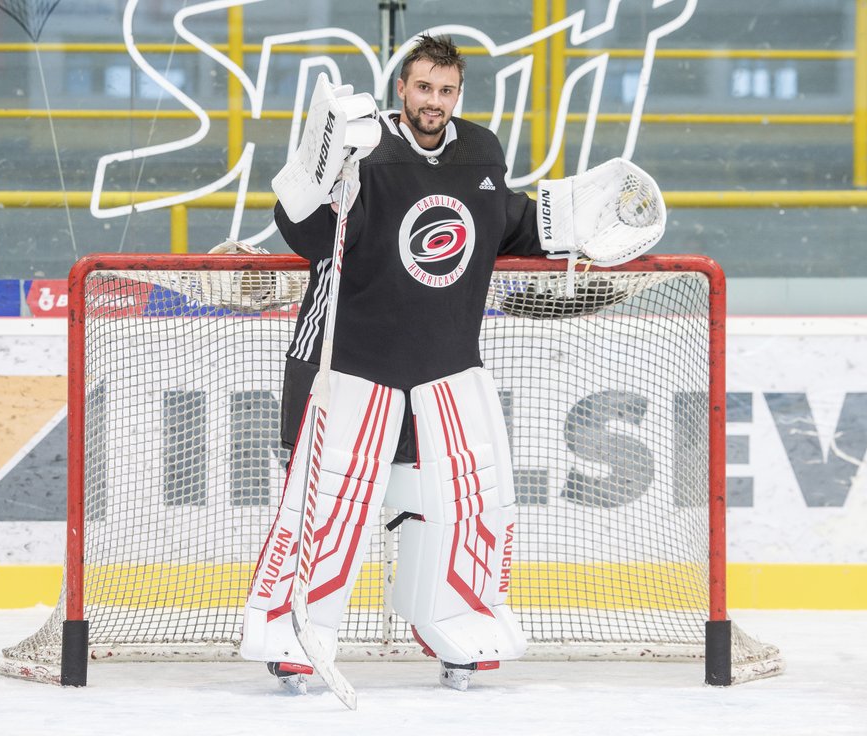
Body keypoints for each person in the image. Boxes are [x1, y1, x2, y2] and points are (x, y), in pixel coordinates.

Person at [240, 33, 662, 695]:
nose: (433, 102)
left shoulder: (480, 149)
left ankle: (458, 618)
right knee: (328, 502)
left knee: (468, 497)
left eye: (445, 90)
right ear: (400, 89)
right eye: (422, 88)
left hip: (443, 361)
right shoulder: (364, 149)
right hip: (351, 359)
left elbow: (498, 222)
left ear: (456, 94)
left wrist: (565, 220)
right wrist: (315, 170)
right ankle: (294, 630)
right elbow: (303, 233)